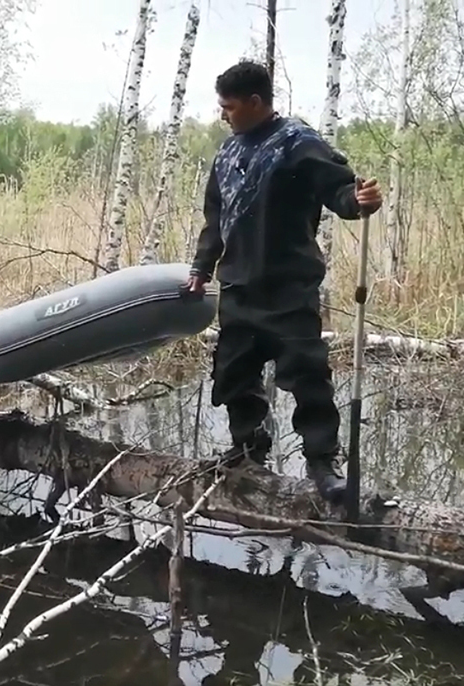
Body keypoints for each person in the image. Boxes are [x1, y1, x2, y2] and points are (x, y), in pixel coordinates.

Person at [185, 60, 383, 504]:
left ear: (256, 103)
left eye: (229, 108)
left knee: (308, 376)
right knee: (234, 374)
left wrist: (360, 199)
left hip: (289, 287)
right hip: (238, 287)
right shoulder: (227, 153)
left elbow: (340, 191)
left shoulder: (298, 143)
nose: (223, 116)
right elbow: (215, 220)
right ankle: (248, 449)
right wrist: (201, 268)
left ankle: (321, 464)